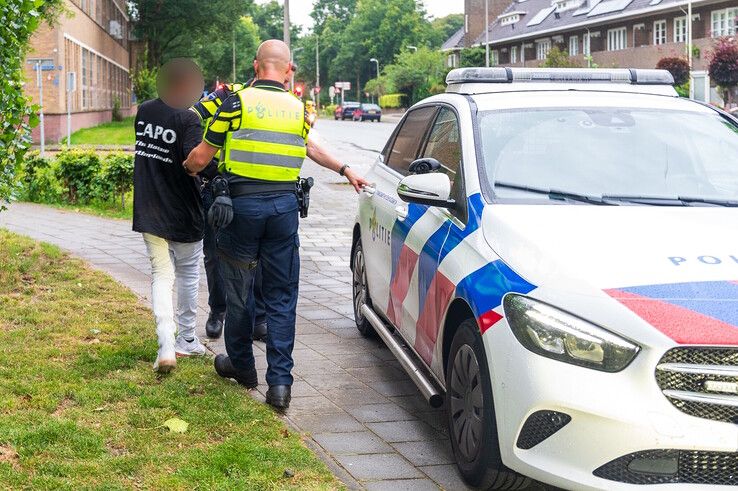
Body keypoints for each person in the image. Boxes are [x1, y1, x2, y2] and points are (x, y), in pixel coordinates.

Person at [183, 40, 369, 410]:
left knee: (240, 290)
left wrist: (188, 166)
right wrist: (346, 169)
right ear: (288, 70)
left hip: (240, 211)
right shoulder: (299, 109)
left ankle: (242, 366)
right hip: (283, 212)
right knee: (282, 298)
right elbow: (311, 148)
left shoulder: (235, 103)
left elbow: (202, 156)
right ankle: (280, 384)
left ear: (256, 66)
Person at [132, 58, 207, 373]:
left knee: (162, 276)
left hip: (149, 208)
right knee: (188, 273)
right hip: (182, 212)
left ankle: (165, 343)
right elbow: (195, 162)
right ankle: (187, 339)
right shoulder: (189, 119)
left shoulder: (145, 111)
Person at [190, 81, 268, 342]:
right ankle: (217, 311)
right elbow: (191, 117)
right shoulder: (226, 95)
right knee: (214, 254)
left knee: (257, 257)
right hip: (218, 187)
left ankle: (259, 319)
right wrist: (209, 168)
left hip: (253, 190)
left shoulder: (275, 102)